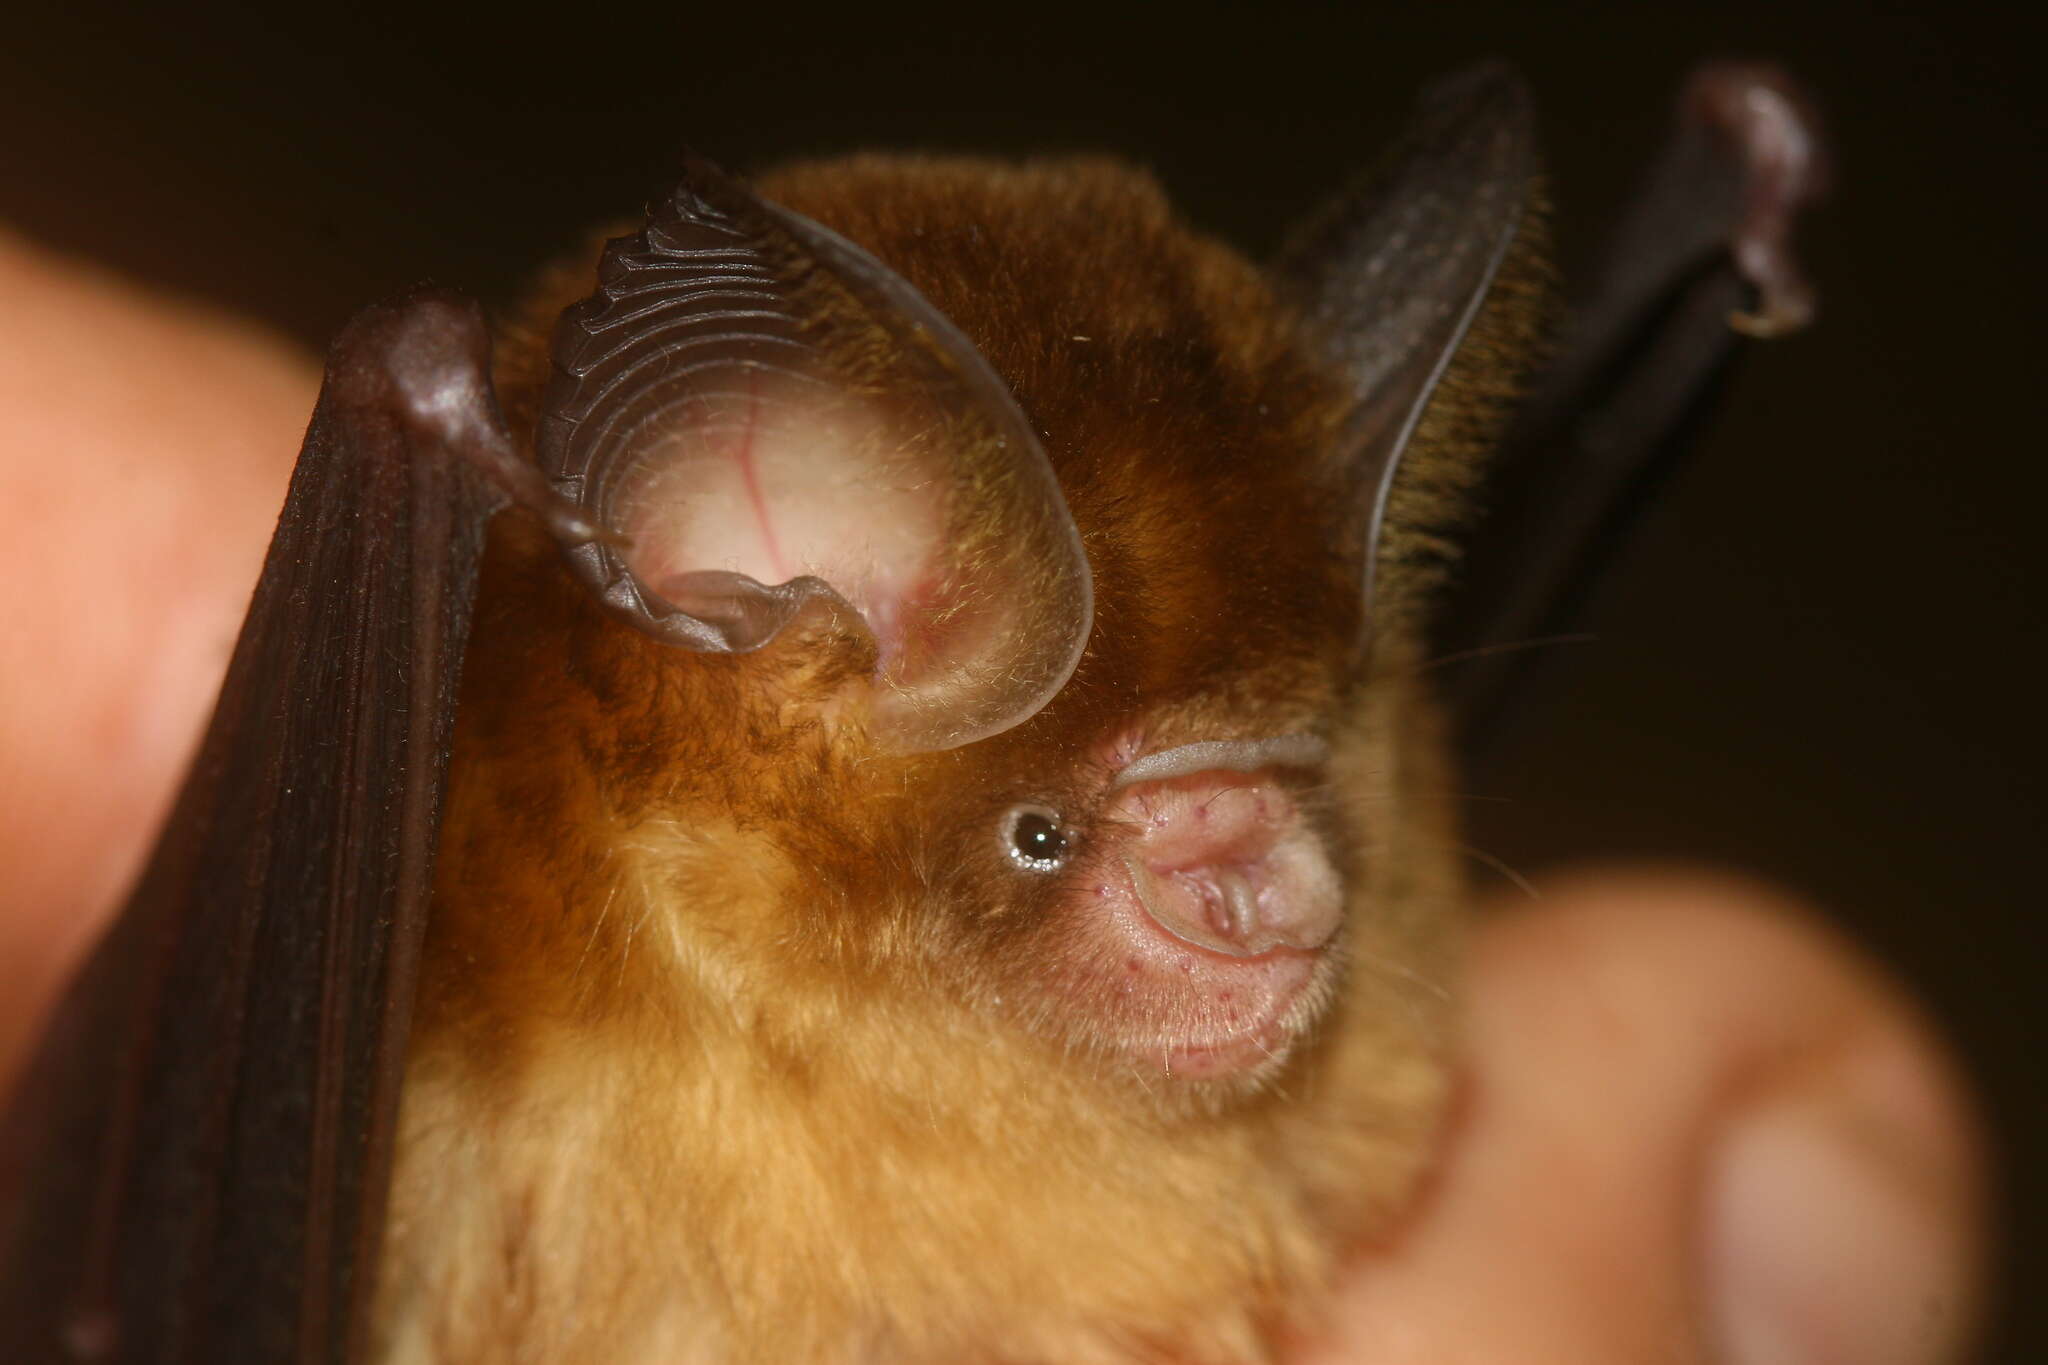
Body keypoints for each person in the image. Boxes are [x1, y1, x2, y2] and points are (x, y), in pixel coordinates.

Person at [0, 233, 1988, 1364]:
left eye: (1276, 776)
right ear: (741, 886)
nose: (1278, 900)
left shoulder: (1347, 979)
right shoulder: (550, 1102)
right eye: (1051, 831)